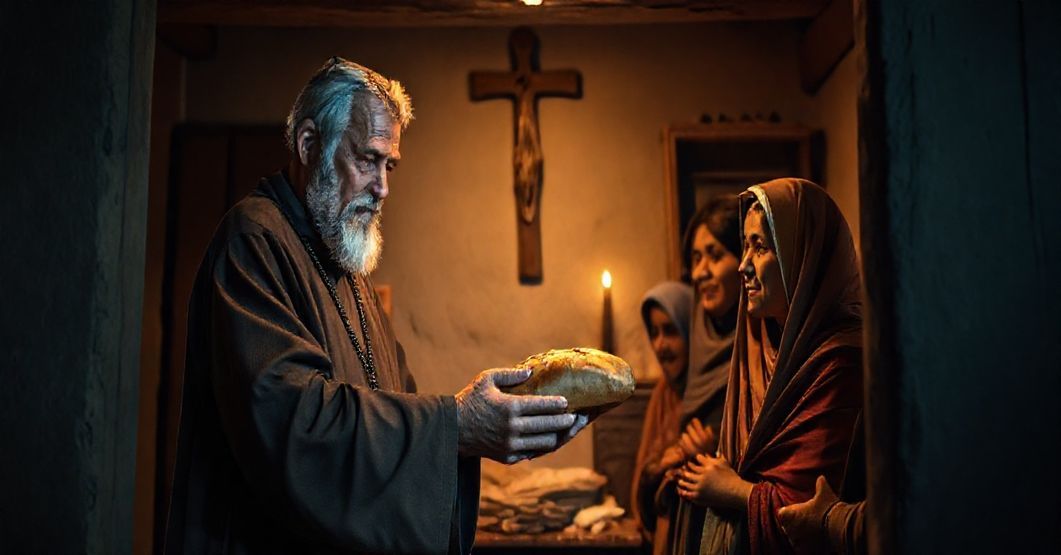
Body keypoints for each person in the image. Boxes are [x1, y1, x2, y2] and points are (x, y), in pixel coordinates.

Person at [163, 57, 588, 555]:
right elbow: (291, 426)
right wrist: (455, 425)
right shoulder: (254, 241)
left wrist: (485, 431)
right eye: (367, 159)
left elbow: (395, 404)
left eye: (390, 165)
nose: (383, 187)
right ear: (308, 145)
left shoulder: (348, 269)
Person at [676, 178, 864, 554]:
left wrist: (733, 491)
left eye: (759, 247)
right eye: (744, 247)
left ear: (800, 258)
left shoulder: (840, 363)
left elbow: (814, 512)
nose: (744, 265)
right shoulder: (760, 349)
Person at [665, 196, 744, 555]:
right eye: (696, 259)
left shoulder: (762, 352)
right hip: (693, 520)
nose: (701, 272)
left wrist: (714, 455)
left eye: (714, 255)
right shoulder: (697, 341)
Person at [630, 281, 694, 554]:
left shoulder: (708, 396)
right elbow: (642, 475)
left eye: (670, 331)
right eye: (654, 333)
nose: (660, 345)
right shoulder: (663, 393)